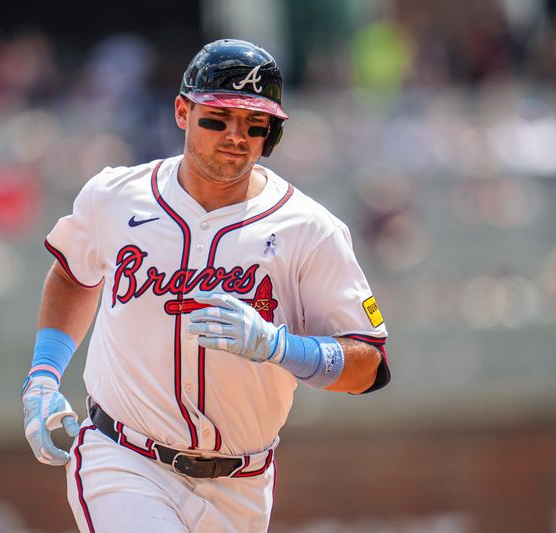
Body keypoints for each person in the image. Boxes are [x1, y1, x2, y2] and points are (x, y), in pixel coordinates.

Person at [21, 38, 390, 533]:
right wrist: (43, 377)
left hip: (244, 481)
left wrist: (281, 347)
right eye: (217, 117)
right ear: (182, 112)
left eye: (253, 123)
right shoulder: (114, 196)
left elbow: (368, 366)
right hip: (125, 456)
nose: (235, 136)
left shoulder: (310, 229)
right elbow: (72, 273)